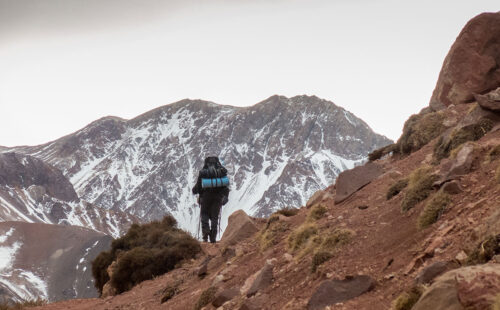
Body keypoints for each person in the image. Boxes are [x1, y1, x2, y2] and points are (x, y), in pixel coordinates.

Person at [192, 156, 230, 243]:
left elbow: (198, 187)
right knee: (214, 217)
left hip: (206, 197)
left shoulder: (204, 172)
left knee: (204, 215)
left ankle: (205, 235)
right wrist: (224, 197)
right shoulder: (221, 171)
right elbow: (226, 187)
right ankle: (213, 238)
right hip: (218, 198)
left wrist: (194, 191)